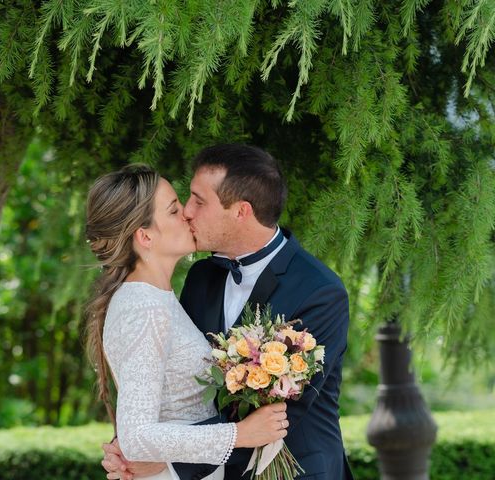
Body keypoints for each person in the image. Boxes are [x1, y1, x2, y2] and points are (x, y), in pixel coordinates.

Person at [102, 145, 354, 480]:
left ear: (241, 211)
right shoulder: (201, 276)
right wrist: (139, 444)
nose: (188, 212)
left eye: (198, 201)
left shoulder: (320, 291)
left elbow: (281, 412)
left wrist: (168, 461)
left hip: (295, 472)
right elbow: (180, 379)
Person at [85, 164, 289, 480]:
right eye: (173, 210)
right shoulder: (144, 307)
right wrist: (240, 434)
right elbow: (137, 437)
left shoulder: (158, 298)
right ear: (145, 235)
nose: (187, 215)